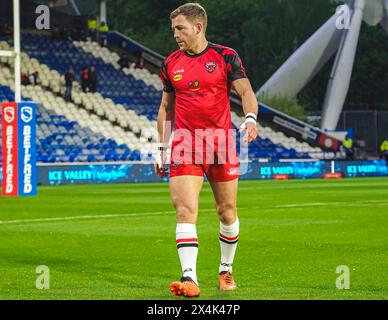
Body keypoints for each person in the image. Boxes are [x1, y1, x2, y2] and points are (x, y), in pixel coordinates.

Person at [154, 3, 259, 298]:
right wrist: (162, 146)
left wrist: (250, 118)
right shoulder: (170, 64)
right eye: (174, 28)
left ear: (198, 27)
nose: (175, 34)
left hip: (221, 143)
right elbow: (166, 108)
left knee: (226, 212)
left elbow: (246, 92)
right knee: (185, 210)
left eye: (180, 28)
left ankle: (225, 270)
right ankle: (189, 278)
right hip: (185, 145)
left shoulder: (225, 56)